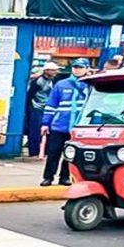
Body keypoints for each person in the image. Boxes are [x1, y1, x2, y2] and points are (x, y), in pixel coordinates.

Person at [41, 58, 90, 187]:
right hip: (59, 126)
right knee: (53, 153)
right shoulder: (61, 85)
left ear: (87, 69)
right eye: (75, 67)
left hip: (78, 128)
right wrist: (45, 123)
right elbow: (51, 105)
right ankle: (48, 177)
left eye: (80, 67)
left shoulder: (90, 85)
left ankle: (65, 177)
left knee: (71, 155)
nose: (77, 69)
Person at [25, 62, 58, 157]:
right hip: (37, 108)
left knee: (46, 131)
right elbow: (30, 95)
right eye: (53, 70)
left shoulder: (52, 81)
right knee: (35, 131)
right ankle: (34, 151)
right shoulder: (38, 82)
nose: (55, 72)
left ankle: (44, 150)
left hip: (46, 108)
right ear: (46, 71)